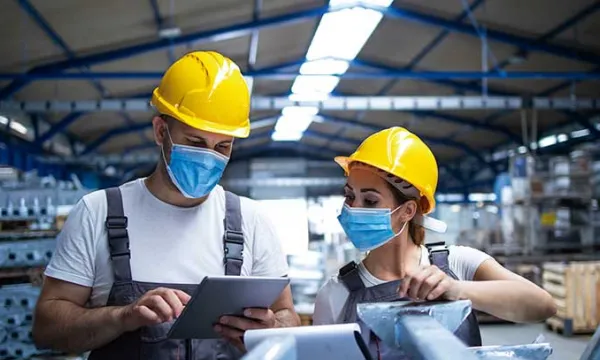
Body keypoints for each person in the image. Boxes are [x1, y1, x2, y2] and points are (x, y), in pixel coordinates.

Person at [32, 51, 299, 359]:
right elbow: (47, 329)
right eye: (196, 143)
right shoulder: (98, 212)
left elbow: (287, 316)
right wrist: (123, 317)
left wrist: (269, 332)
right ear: (161, 131)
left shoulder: (252, 221)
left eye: (222, 146)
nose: (209, 157)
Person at [313, 127, 556, 359]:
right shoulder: (335, 293)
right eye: (350, 196)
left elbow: (542, 305)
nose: (353, 209)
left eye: (369, 200)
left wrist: (457, 290)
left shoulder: (458, 264)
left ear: (407, 211)